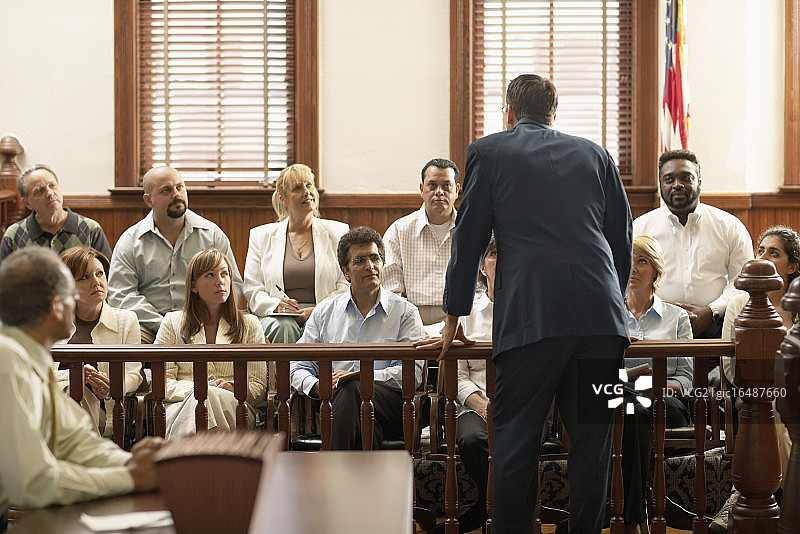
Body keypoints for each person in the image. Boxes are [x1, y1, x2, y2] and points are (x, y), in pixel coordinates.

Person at [419, 74, 632, 533]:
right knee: (594, 446)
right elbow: (621, 241)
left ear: (509, 113)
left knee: (516, 442)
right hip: (602, 325)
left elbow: (470, 238)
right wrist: (618, 307)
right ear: (555, 114)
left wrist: (453, 316)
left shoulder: (489, 151)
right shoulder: (597, 154)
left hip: (532, 321)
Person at [0, 248, 162, 533]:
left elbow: (76, 441)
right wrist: (132, 479)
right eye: (71, 295)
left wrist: (146, 466)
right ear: (56, 307)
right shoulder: (8, 360)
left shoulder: (34, 356)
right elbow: (33, 482)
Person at [290, 226, 425, 450]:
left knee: (354, 390)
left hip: (391, 406)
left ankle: (331, 475)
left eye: (375, 258)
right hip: (335, 405)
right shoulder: (325, 312)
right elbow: (297, 365)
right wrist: (317, 386)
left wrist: (360, 376)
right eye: (360, 260)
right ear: (345, 272)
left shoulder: (405, 312)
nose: (370, 266)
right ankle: (359, 483)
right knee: (363, 424)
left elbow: (413, 374)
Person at [710, 225, 799, 534]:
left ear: (792, 266)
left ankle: (741, 500)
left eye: (773, 253)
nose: (763, 257)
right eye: (760, 251)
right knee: (771, 405)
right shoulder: (738, 304)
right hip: (755, 397)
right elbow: (731, 367)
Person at [108, 166, 243, 343]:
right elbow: (121, 296)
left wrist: (203, 320)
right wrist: (165, 324)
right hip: (150, 328)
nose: (176, 194)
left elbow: (234, 286)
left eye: (180, 187)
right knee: (125, 338)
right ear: (149, 200)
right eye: (166, 190)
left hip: (204, 323)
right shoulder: (130, 241)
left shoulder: (211, 235)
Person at [632, 149, 753, 338]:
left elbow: (742, 281)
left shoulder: (729, 226)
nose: (677, 185)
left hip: (716, 323)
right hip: (656, 324)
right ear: (661, 184)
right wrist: (665, 312)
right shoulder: (640, 228)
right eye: (669, 179)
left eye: (686, 178)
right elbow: (627, 279)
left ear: (699, 182)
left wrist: (712, 311)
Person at [155, 249, 267, 438]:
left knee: (207, 399)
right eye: (210, 275)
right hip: (181, 405)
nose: (220, 281)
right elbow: (160, 382)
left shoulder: (250, 324)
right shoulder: (172, 322)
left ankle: (182, 461)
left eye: (224, 273)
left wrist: (234, 387)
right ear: (193, 286)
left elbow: (258, 387)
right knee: (202, 399)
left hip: (235, 406)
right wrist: (198, 389)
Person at [623, 236, 693, 534]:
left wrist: (651, 382)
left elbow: (687, 379)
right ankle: (639, 517)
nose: (634, 269)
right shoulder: (609, 314)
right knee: (631, 408)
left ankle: (630, 517)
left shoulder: (676, 317)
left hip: (667, 401)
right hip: (623, 401)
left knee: (634, 406)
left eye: (642, 261)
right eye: (629, 261)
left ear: (656, 271)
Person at [243, 163, 349, 343]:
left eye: (309, 185)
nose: (307, 192)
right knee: (283, 327)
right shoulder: (260, 236)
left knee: (317, 325)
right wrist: (276, 305)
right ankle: (287, 373)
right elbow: (252, 288)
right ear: (283, 198)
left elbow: (346, 285)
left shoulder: (338, 232)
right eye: (297, 188)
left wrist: (316, 311)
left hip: (324, 311)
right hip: (277, 316)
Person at [55, 247, 143, 436]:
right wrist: (74, 375)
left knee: (78, 392)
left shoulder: (127, 320)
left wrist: (114, 385)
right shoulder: (52, 321)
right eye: (85, 277)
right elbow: (38, 372)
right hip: (53, 406)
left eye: (100, 273)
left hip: (103, 412)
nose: (96, 282)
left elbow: (134, 374)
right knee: (73, 385)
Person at [383, 158, 460, 325]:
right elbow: (391, 290)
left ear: (457, 190)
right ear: (421, 189)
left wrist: (459, 323)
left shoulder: (470, 230)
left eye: (447, 185)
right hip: (409, 317)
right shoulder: (398, 231)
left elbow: (480, 287)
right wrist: (409, 325)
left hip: (460, 318)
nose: (439, 192)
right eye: (432, 185)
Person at [0, 164, 112, 263]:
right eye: (40, 190)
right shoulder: (14, 235)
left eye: (52, 185)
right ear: (27, 203)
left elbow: (108, 279)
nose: (50, 193)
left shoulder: (91, 230)